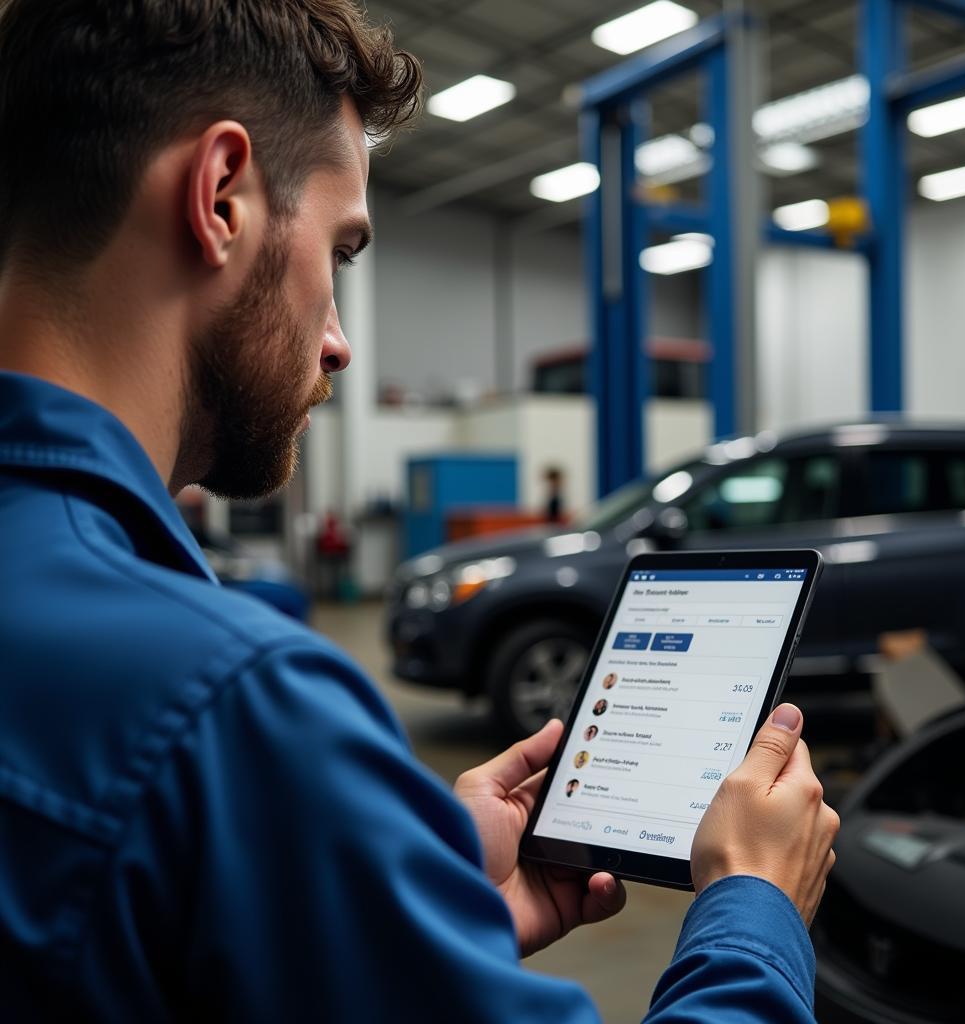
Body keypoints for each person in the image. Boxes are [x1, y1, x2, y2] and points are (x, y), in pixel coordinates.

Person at [0, 2, 839, 1021]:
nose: (340, 342)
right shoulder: (229, 707)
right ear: (221, 195)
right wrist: (754, 911)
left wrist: (385, 880)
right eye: (342, 251)